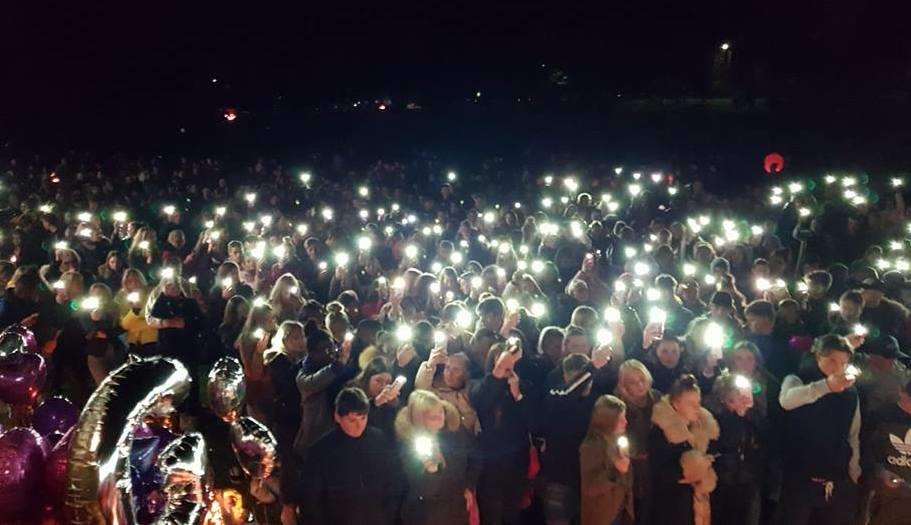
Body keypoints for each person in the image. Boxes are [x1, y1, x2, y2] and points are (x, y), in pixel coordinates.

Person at [778, 334, 861, 525]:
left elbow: (853, 434)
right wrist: (826, 386)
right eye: (831, 360)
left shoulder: (850, 393)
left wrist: (854, 470)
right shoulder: (797, 379)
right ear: (818, 357)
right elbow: (787, 401)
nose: (837, 367)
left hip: (836, 476)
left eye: (843, 362)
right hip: (800, 476)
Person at [291, 387, 399, 525]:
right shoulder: (320, 452)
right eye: (352, 420)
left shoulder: (379, 440)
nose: (359, 425)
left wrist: (389, 513)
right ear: (337, 417)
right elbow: (311, 500)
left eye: (363, 418)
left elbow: (394, 480)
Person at [394, 389, 478, 525]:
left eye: (441, 412)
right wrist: (431, 471)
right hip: (427, 515)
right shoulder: (409, 446)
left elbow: (474, 456)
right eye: (433, 416)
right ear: (419, 419)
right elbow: (422, 491)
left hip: (457, 509)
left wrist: (469, 485)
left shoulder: (455, 432)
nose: (440, 418)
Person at [649, 374, 719, 525]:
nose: (697, 408)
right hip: (669, 509)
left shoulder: (702, 430)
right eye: (690, 403)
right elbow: (658, 473)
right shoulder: (661, 432)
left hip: (695, 506)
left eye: (698, 402)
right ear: (675, 403)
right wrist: (690, 470)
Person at [706, 372, 765, 525]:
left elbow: (763, 441)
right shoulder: (715, 419)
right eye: (733, 397)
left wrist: (748, 414)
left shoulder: (754, 417)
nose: (740, 399)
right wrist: (737, 416)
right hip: (723, 481)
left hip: (748, 480)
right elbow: (725, 442)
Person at [614, 359, 660, 525]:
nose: (640, 385)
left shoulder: (657, 398)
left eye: (642, 379)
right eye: (633, 382)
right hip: (632, 468)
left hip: (656, 464)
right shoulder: (619, 406)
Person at [860, 377, 911, 523]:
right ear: (902, 393)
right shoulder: (881, 416)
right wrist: (879, 471)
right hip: (885, 495)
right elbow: (865, 451)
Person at [579, 394, 634, 525]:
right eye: (621, 419)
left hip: (619, 510)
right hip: (602, 516)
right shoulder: (592, 446)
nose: (626, 422)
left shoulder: (618, 442)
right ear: (608, 421)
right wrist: (616, 471)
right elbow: (590, 487)